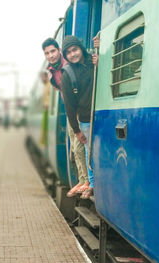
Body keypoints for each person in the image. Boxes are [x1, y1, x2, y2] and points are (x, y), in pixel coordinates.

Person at [42, 38, 89, 196]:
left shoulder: (69, 64)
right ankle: (82, 180)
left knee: (79, 145)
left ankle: (85, 181)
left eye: (53, 51)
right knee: (75, 147)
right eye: (47, 53)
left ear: (59, 51)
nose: (51, 55)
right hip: (70, 108)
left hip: (79, 109)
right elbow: (60, 89)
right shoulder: (50, 71)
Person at [60, 35, 98, 199]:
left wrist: (99, 61)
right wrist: (76, 131)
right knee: (89, 151)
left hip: (101, 115)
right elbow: (69, 106)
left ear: (81, 48)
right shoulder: (67, 75)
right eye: (68, 53)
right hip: (84, 119)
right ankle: (92, 183)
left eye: (75, 49)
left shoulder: (94, 60)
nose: (73, 54)